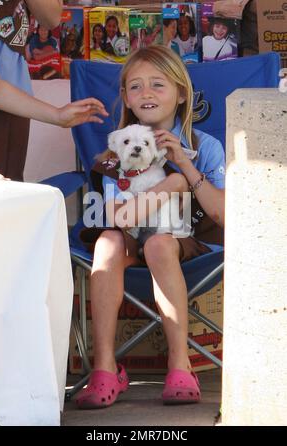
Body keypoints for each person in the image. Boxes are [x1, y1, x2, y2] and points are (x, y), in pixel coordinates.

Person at [76, 45, 225, 409]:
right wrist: (169, 187)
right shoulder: (116, 155)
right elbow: (120, 218)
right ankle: (106, 368)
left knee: (159, 243)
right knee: (108, 241)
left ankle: (180, 364)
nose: (146, 93)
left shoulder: (203, 146)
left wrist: (185, 171)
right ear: (125, 96)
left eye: (158, 84)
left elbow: (225, 216)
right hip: (126, 240)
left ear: (181, 94)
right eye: (136, 86)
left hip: (185, 244)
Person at [0, 0, 63, 181]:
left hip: (16, 89)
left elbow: (52, 18)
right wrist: (57, 115)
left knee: (13, 185)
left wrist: (59, 116)